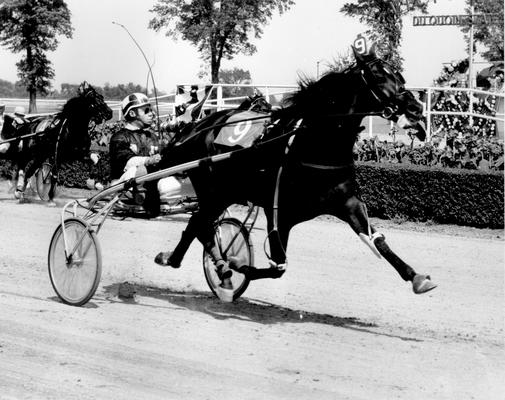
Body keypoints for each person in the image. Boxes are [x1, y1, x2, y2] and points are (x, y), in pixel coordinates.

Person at [109, 93, 187, 215]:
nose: (152, 113)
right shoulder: (119, 137)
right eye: (146, 110)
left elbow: (164, 158)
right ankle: (140, 196)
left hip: (151, 182)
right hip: (124, 183)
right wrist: (148, 160)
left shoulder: (152, 136)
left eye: (151, 110)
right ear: (132, 113)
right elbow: (126, 162)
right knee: (141, 170)